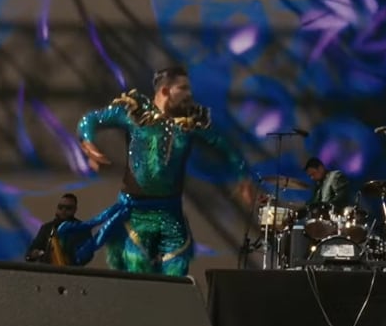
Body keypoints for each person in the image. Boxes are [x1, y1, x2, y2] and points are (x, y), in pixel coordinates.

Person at [72, 64, 257, 276]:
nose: (189, 94)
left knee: (177, 270)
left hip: (170, 213)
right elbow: (91, 120)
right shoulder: (134, 113)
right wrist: (89, 145)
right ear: (166, 91)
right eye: (183, 88)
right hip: (136, 214)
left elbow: (227, 147)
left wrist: (243, 177)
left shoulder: (191, 123)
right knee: (137, 270)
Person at [24, 192, 88, 265]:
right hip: (48, 271)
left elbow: (86, 255)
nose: (63, 210)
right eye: (60, 207)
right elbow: (30, 254)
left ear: (75, 210)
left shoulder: (81, 229)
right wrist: (34, 254)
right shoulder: (47, 228)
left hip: (72, 272)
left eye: (68, 208)